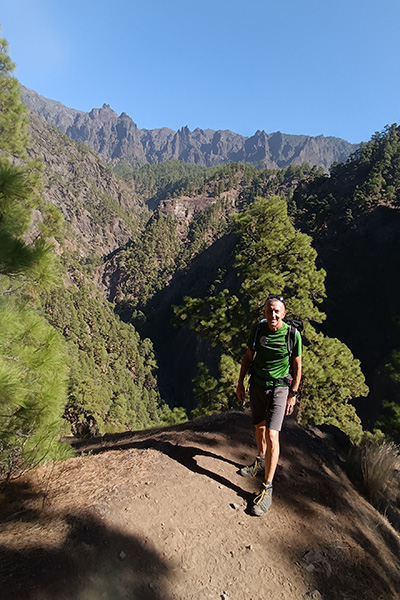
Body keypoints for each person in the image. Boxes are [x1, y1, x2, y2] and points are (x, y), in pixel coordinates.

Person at [236, 294, 302, 516]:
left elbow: (297, 367)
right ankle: (260, 460)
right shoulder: (258, 331)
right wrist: (240, 383)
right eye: (269, 310)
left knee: (273, 435)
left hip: (280, 388)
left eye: (277, 311)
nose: (273, 314)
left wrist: (293, 394)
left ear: (284, 313)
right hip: (257, 384)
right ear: (264, 312)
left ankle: (267, 488)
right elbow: (247, 357)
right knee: (259, 427)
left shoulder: (292, 335)